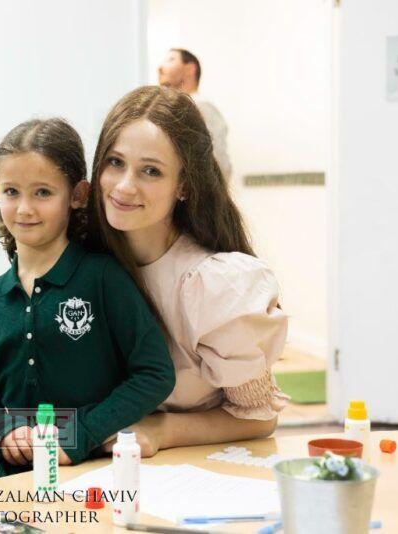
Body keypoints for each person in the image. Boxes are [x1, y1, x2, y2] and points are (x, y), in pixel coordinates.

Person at [0, 118, 175, 492]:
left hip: (85, 460)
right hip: (2, 458)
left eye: (42, 193)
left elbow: (155, 374)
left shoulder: (103, 277)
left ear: (77, 195)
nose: (25, 209)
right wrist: (5, 432)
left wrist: (81, 435)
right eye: (12, 192)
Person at [88, 86, 288, 456]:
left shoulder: (211, 284)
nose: (124, 186)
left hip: (193, 471)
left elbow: (259, 418)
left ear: (183, 185)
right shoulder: (84, 261)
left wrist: (160, 431)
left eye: (151, 171)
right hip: (91, 467)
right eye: (115, 162)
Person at [158, 48, 232, 179]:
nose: (160, 68)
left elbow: (219, 162)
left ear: (190, 69)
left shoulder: (201, 106)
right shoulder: (171, 108)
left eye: (170, 60)